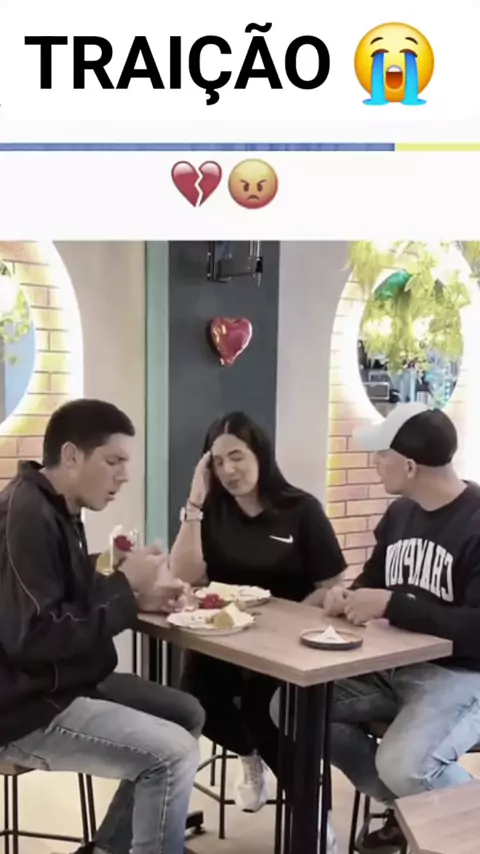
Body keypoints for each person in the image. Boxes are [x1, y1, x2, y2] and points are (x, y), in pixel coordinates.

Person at [0, 398, 205, 854]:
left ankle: (112, 847)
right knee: (172, 754)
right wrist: (125, 589)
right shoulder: (27, 515)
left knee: (185, 713)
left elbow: (65, 592)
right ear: (71, 455)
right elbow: (34, 636)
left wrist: (134, 592)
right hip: (26, 706)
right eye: (113, 461)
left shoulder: (58, 508)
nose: (124, 476)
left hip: (63, 682)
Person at [321, 402, 480, 853]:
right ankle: (412, 815)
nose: (374, 463)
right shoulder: (399, 515)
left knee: (403, 767)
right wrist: (347, 597)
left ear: (409, 466)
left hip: (463, 676)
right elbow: (372, 580)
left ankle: (446, 818)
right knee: (296, 710)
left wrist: (395, 605)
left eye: (381, 455)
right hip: (392, 668)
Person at [170, 411, 346, 815]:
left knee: (261, 711)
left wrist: (285, 623)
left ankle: (311, 816)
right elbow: (184, 575)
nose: (228, 470)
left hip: (287, 645)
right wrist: (194, 503)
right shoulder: (212, 510)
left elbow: (332, 584)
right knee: (194, 703)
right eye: (217, 462)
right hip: (225, 637)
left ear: (260, 455)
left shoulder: (301, 510)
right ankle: (250, 757)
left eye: (237, 456)